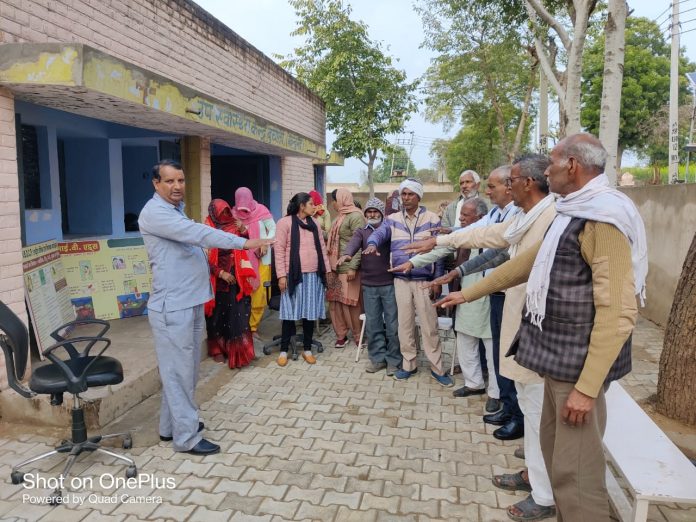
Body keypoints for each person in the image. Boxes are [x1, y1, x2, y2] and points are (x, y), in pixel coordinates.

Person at [436, 134, 646, 522]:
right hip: (556, 363)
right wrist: (468, 294)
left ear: (572, 166)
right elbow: (524, 263)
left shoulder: (603, 219)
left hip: (577, 370)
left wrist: (585, 389)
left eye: (551, 162)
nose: (546, 171)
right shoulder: (571, 213)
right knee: (556, 456)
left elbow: (618, 312)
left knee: (576, 475)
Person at [414, 154, 558, 521]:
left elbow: (510, 266)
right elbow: (489, 235)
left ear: (527, 182)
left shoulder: (553, 215)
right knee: (529, 403)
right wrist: (443, 236)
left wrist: (466, 291)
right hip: (521, 322)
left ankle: (544, 495)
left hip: (540, 327)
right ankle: (534, 476)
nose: (504, 188)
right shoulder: (528, 216)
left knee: (539, 409)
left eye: (508, 181)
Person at [138, 159, 272, 456]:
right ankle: (186, 438)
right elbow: (200, 234)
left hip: (190, 300)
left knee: (182, 370)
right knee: (179, 372)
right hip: (173, 305)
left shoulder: (173, 210)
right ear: (156, 184)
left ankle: (169, 427)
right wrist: (243, 242)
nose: (177, 187)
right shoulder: (156, 213)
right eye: (170, 181)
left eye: (181, 181)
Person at [404, 166, 522, 440]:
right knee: (468, 339)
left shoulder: (515, 217)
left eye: (491, 186)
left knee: (497, 350)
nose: (487, 191)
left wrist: (446, 247)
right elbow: (453, 243)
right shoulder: (493, 216)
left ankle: (502, 399)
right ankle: (478, 386)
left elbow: (494, 254)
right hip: (472, 294)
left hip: (500, 292)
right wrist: (416, 262)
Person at [399, 198, 499, 404]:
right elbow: (441, 251)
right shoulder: (460, 236)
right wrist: (412, 262)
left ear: (480, 218)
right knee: (465, 339)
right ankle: (474, 384)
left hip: (487, 294)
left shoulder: (492, 235)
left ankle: (496, 393)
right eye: (460, 215)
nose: (460, 218)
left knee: (491, 346)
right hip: (463, 294)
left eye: (465, 215)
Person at [365, 178, 453, 387]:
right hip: (401, 280)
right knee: (404, 325)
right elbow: (380, 232)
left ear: (418, 196)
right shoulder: (392, 219)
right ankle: (409, 364)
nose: (405, 198)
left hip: (424, 280)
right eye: (403, 194)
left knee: (429, 325)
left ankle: (437, 367)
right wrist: (372, 242)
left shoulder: (432, 218)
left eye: (409, 194)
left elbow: (439, 252)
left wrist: (437, 280)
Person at [337, 197, 401, 375]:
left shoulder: (389, 230)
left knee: (392, 325)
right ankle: (377, 359)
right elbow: (353, 244)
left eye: (375, 211)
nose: (372, 214)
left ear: (381, 213)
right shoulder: (361, 231)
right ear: (365, 214)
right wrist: (347, 254)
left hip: (389, 284)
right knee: (373, 325)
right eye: (369, 212)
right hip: (369, 285)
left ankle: (394, 360)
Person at [274, 192, 331, 366]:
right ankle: (284, 351)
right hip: (293, 276)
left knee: (309, 312)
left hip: (313, 274)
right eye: (312, 204)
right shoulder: (284, 223)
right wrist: (282, 276)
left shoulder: (314, 223)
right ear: (302, 206)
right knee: (290, 313)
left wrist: (327, 270)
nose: (315, 206)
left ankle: (307, 349)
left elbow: (322, 248)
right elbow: (279, 250)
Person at [204, 199, 256, 369]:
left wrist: (243, 229)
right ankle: (217, 349)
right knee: (217, 316)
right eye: (222, 213)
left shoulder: (234, 224)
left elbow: (246, 244)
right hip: (217, 280)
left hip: (236, 278)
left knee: (238, 315)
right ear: (214, 213)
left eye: (228, 212)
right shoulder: (207, 228)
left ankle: (239, 352)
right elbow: (204, 257)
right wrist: (221, 273)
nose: (226, 216)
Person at [231, 187, 276, 339]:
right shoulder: (233, 215)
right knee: (244, 291)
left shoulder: (261, 211)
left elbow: (273, 229)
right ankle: (243, 324)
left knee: (259, 294)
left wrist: (265, 243)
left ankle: (253, 326)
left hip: (262, 259)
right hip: (243, 261)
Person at [326, 188, 365, 348]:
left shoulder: (356, 216)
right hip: (335, 267)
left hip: (349, 267)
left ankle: (358, 336)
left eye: (333, 200)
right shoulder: (339, 217)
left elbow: (360, 243)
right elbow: (330, 237)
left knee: (351, 304)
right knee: (336, 304)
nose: (332, 204)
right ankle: (341, 335)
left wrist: (353, 267)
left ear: (340, 200)